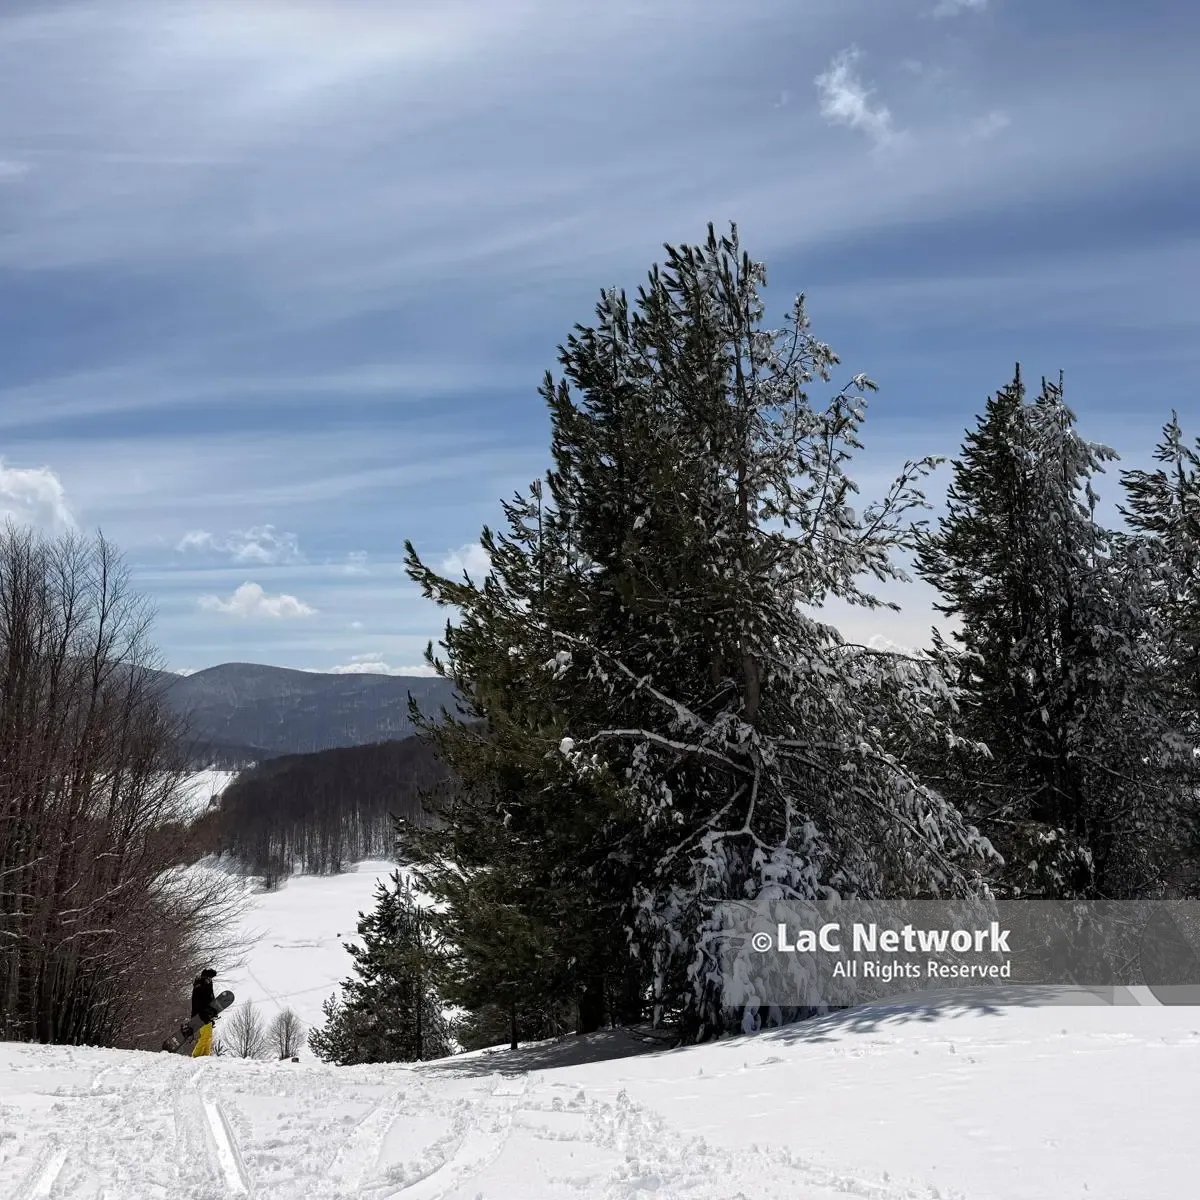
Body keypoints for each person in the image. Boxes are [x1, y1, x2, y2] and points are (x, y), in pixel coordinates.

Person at [190, 967, 219, 1057]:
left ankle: (206, 1056)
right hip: (201, 1015)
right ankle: (195, 1055)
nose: (210, 980)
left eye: (211, 978)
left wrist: (213, 1013)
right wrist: (204, 1014)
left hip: (207, 1014)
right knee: (205, 1037)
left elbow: (210, 999)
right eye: (209, 978)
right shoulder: (200, 986)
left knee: (209, 1037)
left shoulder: (207, 984)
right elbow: (198, 1002)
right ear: (205, 977)